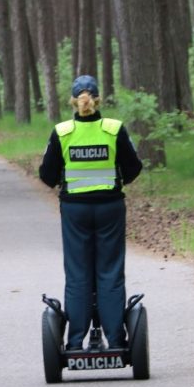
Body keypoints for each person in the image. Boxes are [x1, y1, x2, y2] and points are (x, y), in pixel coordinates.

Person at [38, 75, 143, 351]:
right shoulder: (114, 129)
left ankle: (74, 343)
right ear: (98, 100)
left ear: (73, 101)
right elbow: (133, 168)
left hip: (75, 210)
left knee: (78, 274)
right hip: (110, 207)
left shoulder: (62, 132)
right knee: (109, 272)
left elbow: (46, 175)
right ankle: (117, 341)